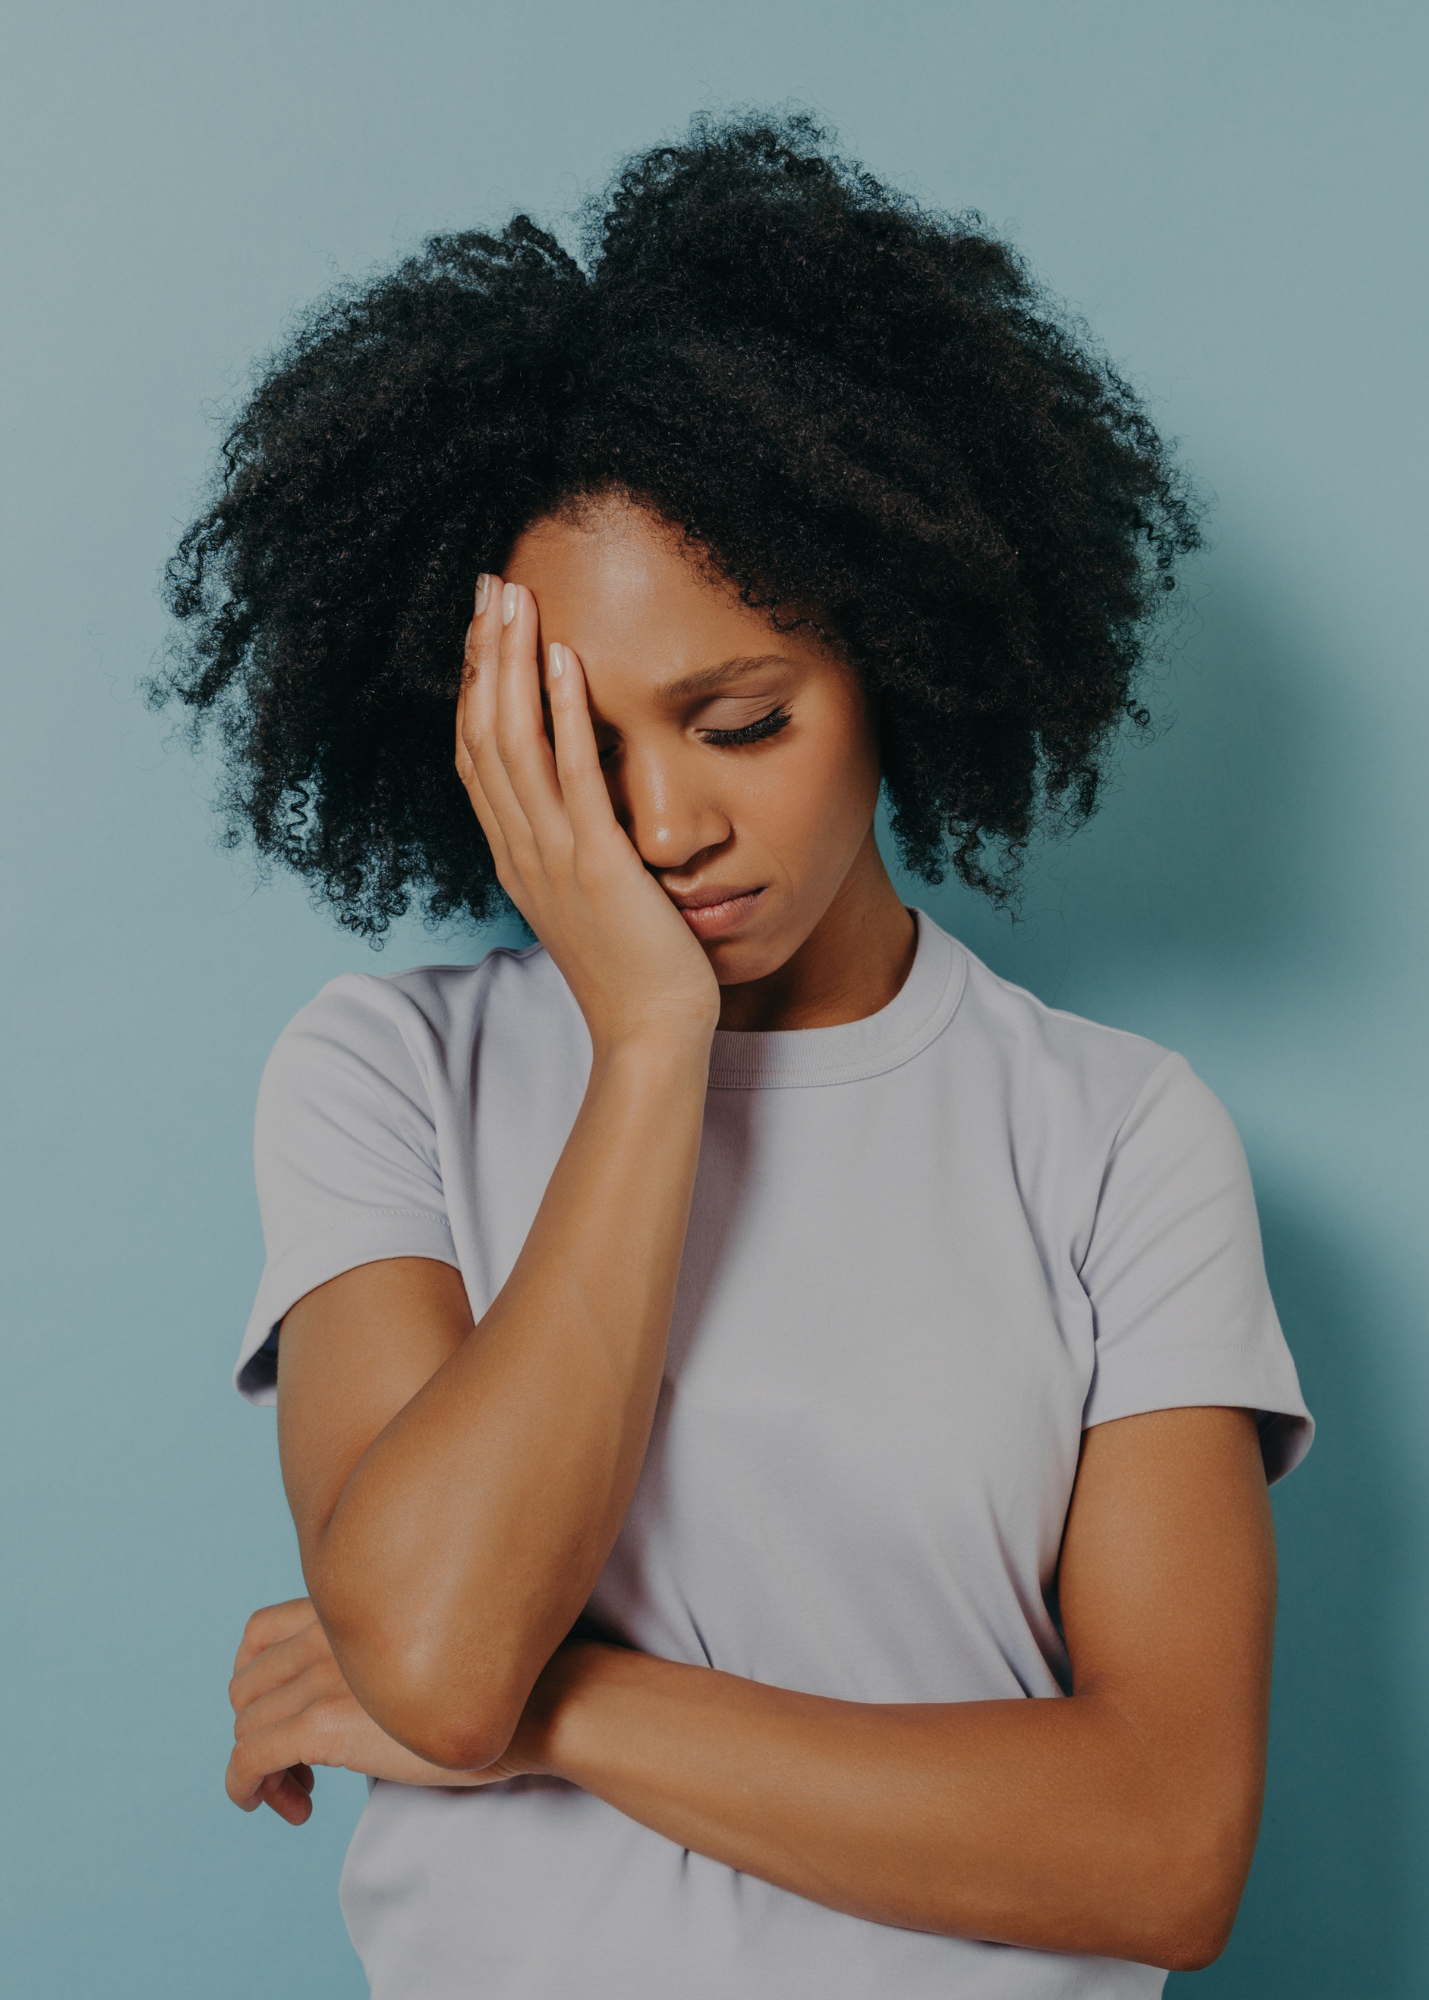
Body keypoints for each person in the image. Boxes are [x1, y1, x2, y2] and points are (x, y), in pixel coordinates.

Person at [159, 113, 1312, 1999]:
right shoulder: (384, 1076)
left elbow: (1163, 1851)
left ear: (896, 661)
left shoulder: (1113, 1136)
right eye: (585, 749)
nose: (669, 822)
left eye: (746, 719)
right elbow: (443, 1654)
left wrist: (567, 1715)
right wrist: (647, 1045)